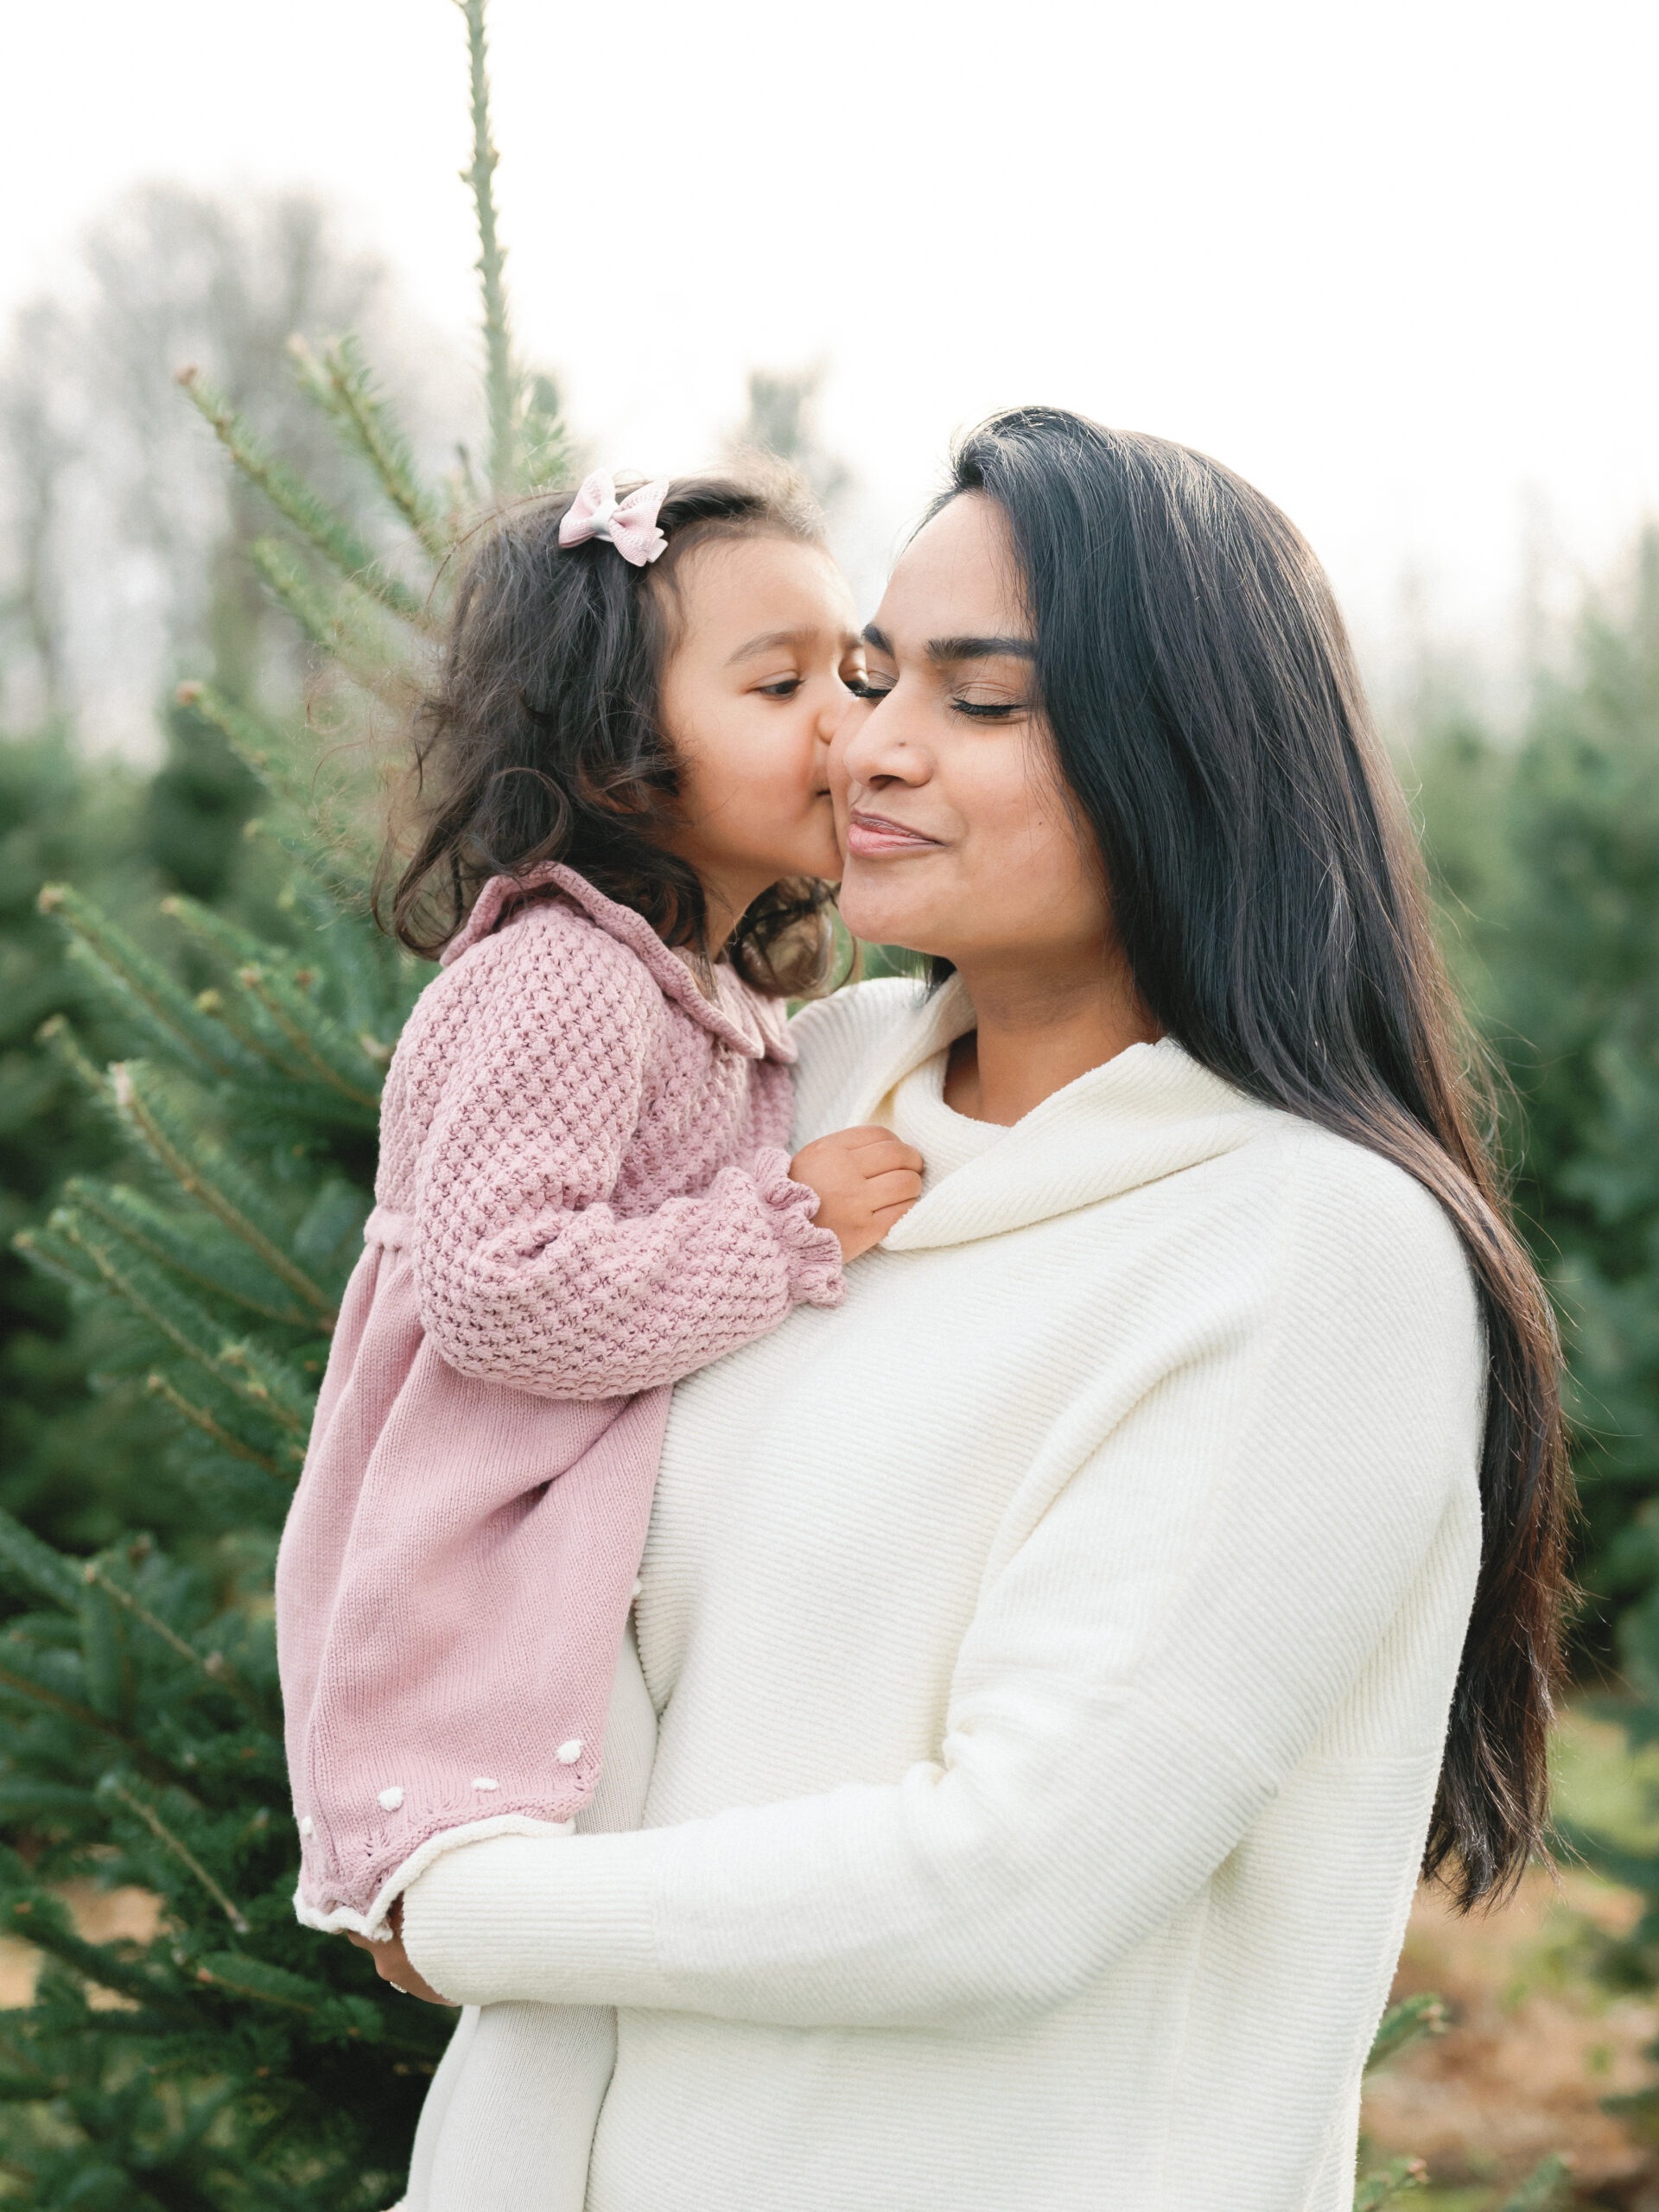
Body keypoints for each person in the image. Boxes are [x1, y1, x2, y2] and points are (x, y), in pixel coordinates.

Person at [369, 410, 1571, 2212]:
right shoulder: (784, 1090)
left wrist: (466, 1902)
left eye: (983, 698)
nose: (873, 744)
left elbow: (1016, 1881)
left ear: (1193, 756)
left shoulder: (1317, 1252)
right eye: (865, 675)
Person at [273, 467, 923, 2197]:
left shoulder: (707, 986)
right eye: (777, 685)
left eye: (851, 673)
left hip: (593, 1570)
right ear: (620, 747)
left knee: (620, 2012)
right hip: (491, 1573)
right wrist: (783, 1231)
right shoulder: (564, 970)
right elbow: (501, 1289)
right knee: (557, 2005)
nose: (843, 722)